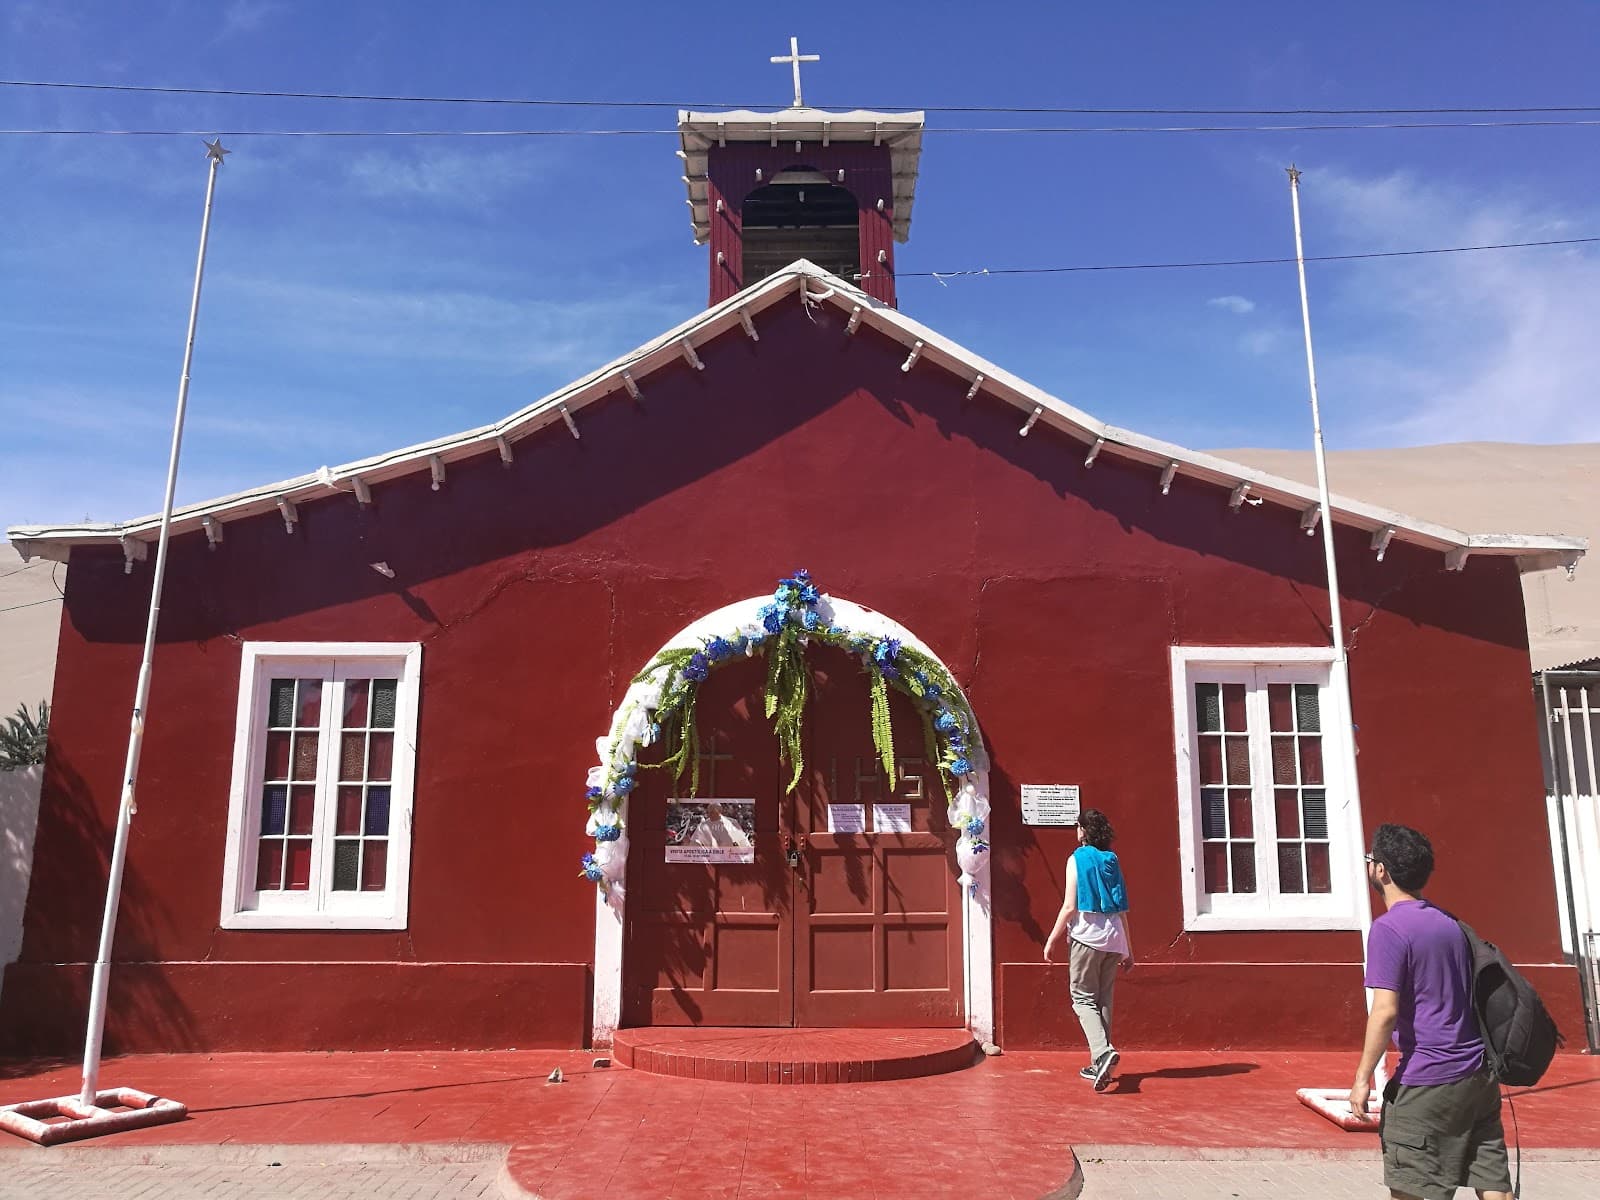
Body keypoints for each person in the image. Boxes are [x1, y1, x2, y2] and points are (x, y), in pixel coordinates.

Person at [1349, 823, 1512, 1200]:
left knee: (1415, 1189)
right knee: (1492, 1184)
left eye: (1370, 859)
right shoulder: (1449, 923)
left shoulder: (1389, 929)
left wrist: (1361, 1078)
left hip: (1428, 1079)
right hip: (1477, 1075)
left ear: (1382, 870)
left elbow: (1385, 1011)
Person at [1043, 808, 1134, 1092]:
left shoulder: (1077, 858)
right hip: (1113, 938)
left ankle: (1102, 1053)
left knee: (1082, 999)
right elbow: (1122, 909)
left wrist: (1052, 939)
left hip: (1087, 937)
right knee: (1104, 999)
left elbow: (1070, 906)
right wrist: (1129, 949)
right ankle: (1100, 1063)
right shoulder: (1112, 859)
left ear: (1082, 830)